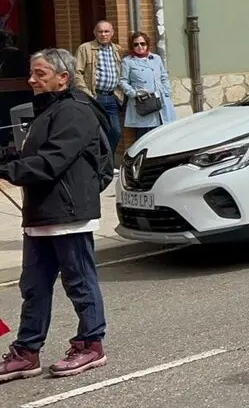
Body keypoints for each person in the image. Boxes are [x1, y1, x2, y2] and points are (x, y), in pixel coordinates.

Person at [0, 49, 112, 382]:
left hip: (68, 214)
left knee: (79, 283)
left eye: (40, 73)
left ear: (63, 77)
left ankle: (91, 344)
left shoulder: (75, 111)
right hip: (41, 214)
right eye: (31, 73)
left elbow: (51, 161)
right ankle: (27, 351)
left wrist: (7, 170)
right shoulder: (48, 109)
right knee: (33, 286)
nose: (32, 79)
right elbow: (31, 154)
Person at [73, 20, 123, 155]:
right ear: (95, 33)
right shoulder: (85, 48)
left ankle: (107, 161)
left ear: (112, 33)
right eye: (100, 31)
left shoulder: (118, 50)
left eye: (107, 31)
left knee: (115, 132)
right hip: (95, 97)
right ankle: (98, 163)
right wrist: (87, 93)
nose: (103, 34)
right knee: (96, 132)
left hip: (112, 97)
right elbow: (77, 73)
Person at [119, 31, 178, 139]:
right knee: (145, 137)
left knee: (164, 134)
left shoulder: (156, 58)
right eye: (136, 44)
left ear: (147, 44)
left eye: (142, 43)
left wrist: (166, 92)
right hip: (143, 102)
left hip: (161, 102)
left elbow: (164, 77)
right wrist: (134, 93)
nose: (140, 46)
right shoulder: (128, 61)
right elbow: (123, 81)